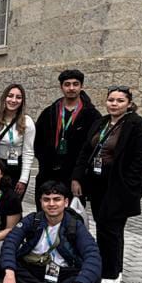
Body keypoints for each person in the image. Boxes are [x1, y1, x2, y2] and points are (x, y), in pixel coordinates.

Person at [72, 86, 142, 283]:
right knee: (102, 226)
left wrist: (127, 182)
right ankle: (103, 265)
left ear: (129, 103)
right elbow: (86, 151)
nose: (114, 104)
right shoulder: (102, 122)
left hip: (119, 186)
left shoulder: (137, 125)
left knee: (112, 228)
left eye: (119, 101)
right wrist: (77, 177)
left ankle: (112, 273)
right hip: (98, 184)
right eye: (111, 100)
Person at [0, 180, 101, 283]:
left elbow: (93, 255)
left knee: (92, 278)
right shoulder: (33, 220)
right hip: (36, 269)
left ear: (66, 202)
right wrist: (9, 272)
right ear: (41, 202)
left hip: (62, 272)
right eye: (46, 200)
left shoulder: (75, 225)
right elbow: (10, 242)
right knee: (8, 266)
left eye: (57, 199)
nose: (51, 204)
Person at [33, 69, 101, 208]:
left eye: (75, 84)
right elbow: (37, 141)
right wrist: (45, 161)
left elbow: (93, 148)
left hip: (75, 176)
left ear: (81, 86)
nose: (71, 88)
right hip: (48, 174)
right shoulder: (49, 112)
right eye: (67, 84)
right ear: (61, 87)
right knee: (46, 211)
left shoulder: (92, 115)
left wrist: (80, 175)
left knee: (72, 215)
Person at [0, 83, 36, 198]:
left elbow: (28, 152)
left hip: (16, 168)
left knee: (13, 204)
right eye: (10, 96)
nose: (13, 100)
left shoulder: (27, 121)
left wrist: (23, 179)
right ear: (4, 97)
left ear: (22, 101)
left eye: (18, 97)